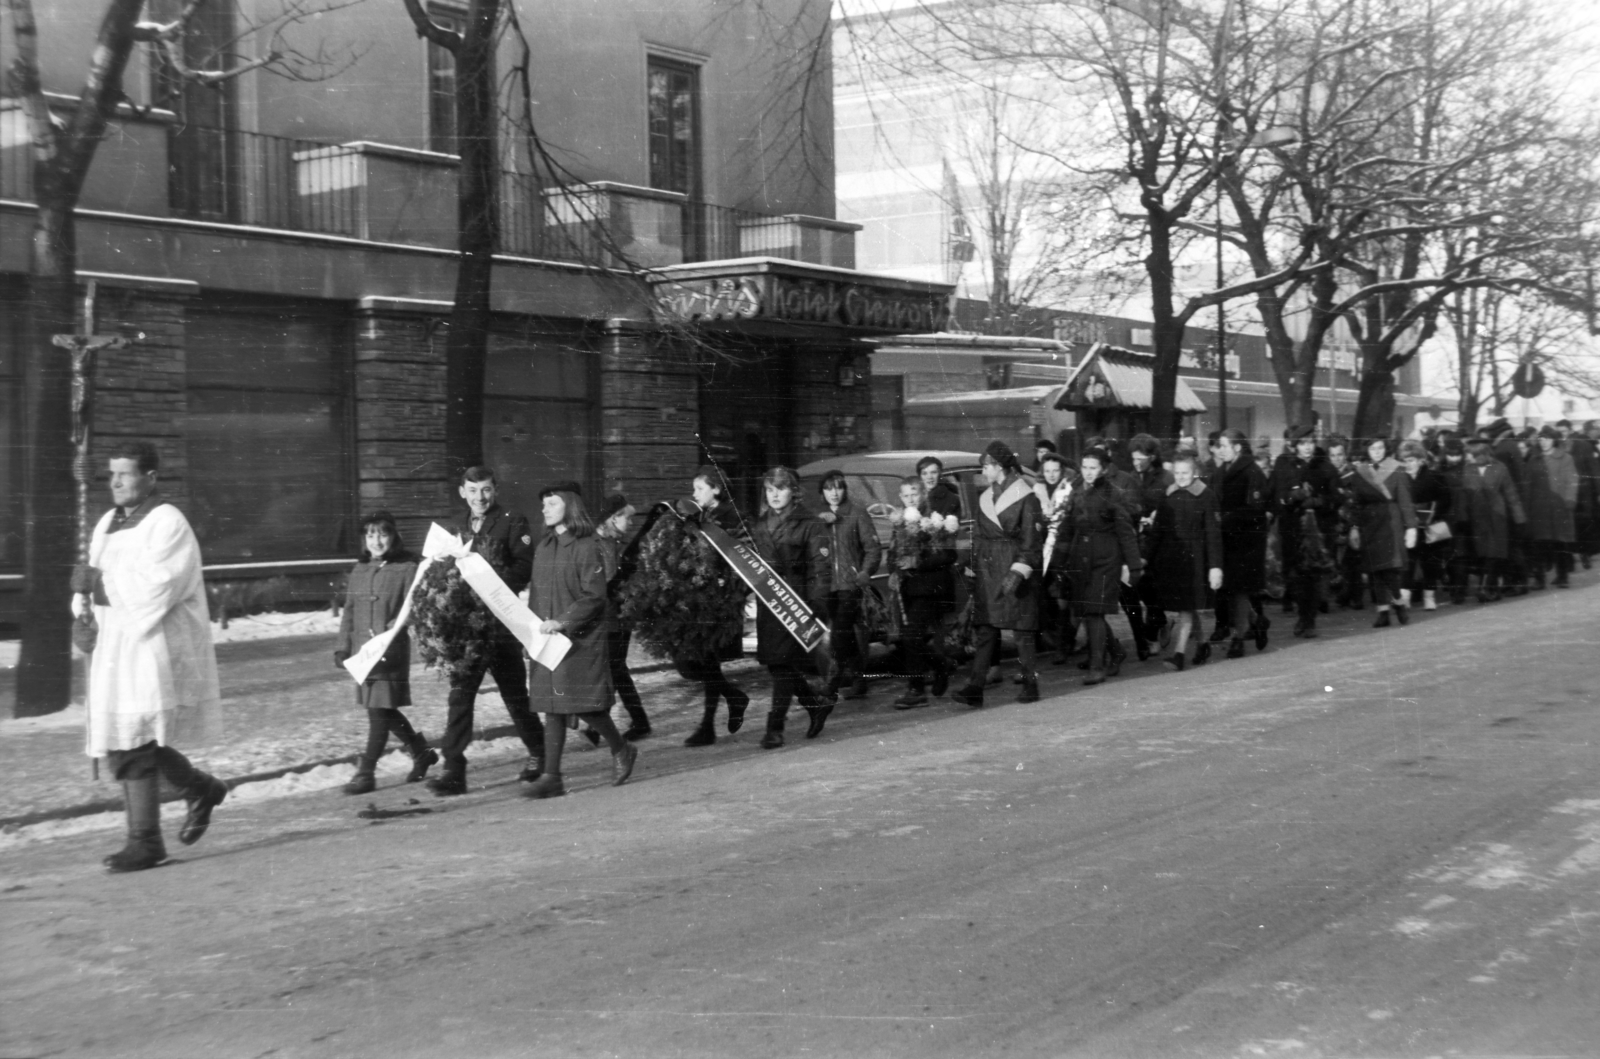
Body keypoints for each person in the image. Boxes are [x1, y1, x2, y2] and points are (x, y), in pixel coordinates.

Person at [74, 441, 226, 873]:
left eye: (125, 473)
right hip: (113, 644)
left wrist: (98, 585)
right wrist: (81, 609)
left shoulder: (168, 522)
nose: (116, 481)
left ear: (150, 478)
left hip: (151, 641)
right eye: (111, 474)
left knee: (134, 739)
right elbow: (90, 583)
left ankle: (145, 841)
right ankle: (199, 789)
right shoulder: (106, 523)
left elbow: (160, 585)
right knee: (124, 738)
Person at [427, 466, 546, 796]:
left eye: (486, 490)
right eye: (473, 490)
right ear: (462, 492)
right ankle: (454, 769)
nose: (480, 497)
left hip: (500, 624)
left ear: (495, 490)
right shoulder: (454, 525)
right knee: (460, 696)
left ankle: (539, 753)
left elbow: (524, 565)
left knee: (515, 697)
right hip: (466, 630)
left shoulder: (512, 520)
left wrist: (487, 583)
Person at [522, 489, 637, 798]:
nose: (544, 508)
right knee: (553, 706)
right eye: (543, 502)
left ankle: (621, 748)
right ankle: (552, 776)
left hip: (579, 638)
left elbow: (594, 596)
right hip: (548, 637)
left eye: (552, 502)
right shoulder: (544, 546)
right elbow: (535, 596)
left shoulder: (587, 547)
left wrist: (564, 622)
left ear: (570, 506)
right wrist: (529, 634)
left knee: (582, 705)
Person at [333, 512, 437, 795]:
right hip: (361, 653)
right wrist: (343, 647)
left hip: (389, 650)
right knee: (380, 709)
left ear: (393, 536)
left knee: (379, 711)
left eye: (382, 534)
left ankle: (366, 773)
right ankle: (421, 751)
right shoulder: (360, 569)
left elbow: (415, 607)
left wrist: (394, 628)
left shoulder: (407, 568)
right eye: (370, 534)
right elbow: (349, 613)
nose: (376, 541)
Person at [952, 441, 1045, 706]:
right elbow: (978, 537)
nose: (983, 470)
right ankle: (975, 686)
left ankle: (1030, 683)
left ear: (999, 467)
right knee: (986, 629)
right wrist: (971, 566)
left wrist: (1019, 572)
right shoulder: (985, 497)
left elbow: (1031, 542)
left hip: (1014, 569)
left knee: (1022, 630)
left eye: (986, 465)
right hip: (988, 569)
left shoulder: (1026, 497)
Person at [751, 466, 837, 748]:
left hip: (797, 602)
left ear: (794, 492)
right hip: (769, 603)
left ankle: (775, 727)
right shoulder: (761, 523)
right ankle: (814, 704)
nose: (775, 495)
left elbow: (820, 568)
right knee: (777, 664)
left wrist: (818, 602)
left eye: (781, 488)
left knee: (782, 662)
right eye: (770, 489)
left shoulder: (811, 524)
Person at [678, 467, 752, 746]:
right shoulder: (697, 519)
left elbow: (746, 559)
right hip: (698, 600)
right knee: (690, 663)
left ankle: (708, 726)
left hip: (720, 602)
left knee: (706, 659)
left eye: (699, 489)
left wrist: (730, 588)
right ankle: (734, 696)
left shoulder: (733, 518)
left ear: (717, 490)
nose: (694, 494)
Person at [1062, 447, 1144, 685]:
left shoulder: (1112, 493)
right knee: (1089, 611)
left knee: (1095, 611)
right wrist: (1060, 561)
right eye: (1084, 467)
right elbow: (1068, 527)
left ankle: (1097, 667)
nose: (1088, 472)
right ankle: (1115, 651)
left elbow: (1125, 531)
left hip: (1107, 558)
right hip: (1082, 557)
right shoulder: (1075, 490)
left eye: (1093, 468)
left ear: (1103, 469)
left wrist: (1134, 565)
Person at [1144, 450, 1223, 669]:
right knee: (1186, 606)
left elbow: (1213, 534)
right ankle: (1203, 644)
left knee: (1187, 608)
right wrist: (1144, 557)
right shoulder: (1169, 494)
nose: (1180, 477)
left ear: (1195, 472)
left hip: (1196, 560)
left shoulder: (1207, 496)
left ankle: (1178, 654)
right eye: (1177, 473)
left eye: (1185, 472)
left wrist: (1215, 567)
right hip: (1173, 560)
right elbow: (1158, 530)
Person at [889, 476, 957, 709]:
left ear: (923, 494)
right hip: (907, 588)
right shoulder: (899, 521)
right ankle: (941, 665)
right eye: (906, 495)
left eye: (914, 494)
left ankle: (917, 690)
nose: (910, 499)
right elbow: (893, 551)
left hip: (929, 587)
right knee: (908, 639)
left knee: (911, 636)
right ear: (900, 497)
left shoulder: (935, 520)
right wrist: (893, 569)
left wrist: (917, 562)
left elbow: (949, 554)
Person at [816, 471, 882, 699]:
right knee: (848, 635)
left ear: (844, 489)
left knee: (839, 633)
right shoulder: (818, 518)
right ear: (822, 492)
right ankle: (859, 680)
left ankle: (831, 684)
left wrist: (865, 572)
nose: (834, 493)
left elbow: (873, 548)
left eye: (838, 487)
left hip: (851, 584)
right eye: (828, 488)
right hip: (828, 586)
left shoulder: (856, 513)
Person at [1270, 425, 1338, 636]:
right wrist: (1292, 497)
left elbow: (1337, 498)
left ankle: (1309, 620)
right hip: (1292, 526)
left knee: (1313, 574)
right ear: (1294, 445)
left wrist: (1318, 501)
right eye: (1302, 444)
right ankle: (1302, 615)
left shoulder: (1325, 465)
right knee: (1295, 575)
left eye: (1310, 443)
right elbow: (1274, 494)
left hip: (1317, 528)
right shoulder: (1284, 463)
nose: (1307, 448)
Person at [595, 494, 650, 740]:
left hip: (616, 618)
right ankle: (634, 721)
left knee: (613, 669)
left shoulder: (612, 543)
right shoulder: (601, 545)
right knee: (614, 669)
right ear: (613, 518)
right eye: (626, 518)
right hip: (608, 616)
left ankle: (635, 721)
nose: (629, 524)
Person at [1349, 437, 1419, 626]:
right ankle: (1383, 612)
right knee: (1375, 570)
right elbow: (1356, 503)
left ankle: (1398, 604)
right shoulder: (1360, 472)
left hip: (1390, 521)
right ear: (1367, 450)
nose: (1377, 451)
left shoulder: (1396, 469)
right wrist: (1354, 527)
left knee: (1389, 569)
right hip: (1369, 523)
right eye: (1373, 448)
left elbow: (1405, 501)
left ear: (1385, 449)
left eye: (1380, 447)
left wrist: (1411, 526)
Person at [1214, 430, 1271, 659]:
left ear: (1237, 447)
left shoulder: (1252, 471)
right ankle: (1257, 621)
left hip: (1247, 542)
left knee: (1237, 590)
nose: (1220, 449)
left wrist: (1225, 519)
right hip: (1226, 539)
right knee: (1229, 590)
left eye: (1224, 445)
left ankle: (1238, 639)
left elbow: (1256, 508)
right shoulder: (1220, 471)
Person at [1458, 437, 1528, 601]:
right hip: (1477, 518)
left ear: (1480, 454)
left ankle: (1484, 588)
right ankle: (1493, 589)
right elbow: (1464, 495)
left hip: (1497, 516)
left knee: (1494, 552)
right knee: (1484, 554)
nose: (1467, 457)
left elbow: (1511, 494)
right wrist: (1463, 516)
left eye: (1470, 454)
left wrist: (1519, 517)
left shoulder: (1499, 467)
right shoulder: (1468, 468)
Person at [1033, 452, 1080, 662]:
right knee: (1045, 597)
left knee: (1064, 600)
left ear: (1062, 472)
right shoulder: (1037, 490)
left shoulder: (1069, 489)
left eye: (1055, 471)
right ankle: (1055, 640)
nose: (1052, 475)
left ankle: (1064, 644)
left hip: (1064, 549)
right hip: (1043, 550)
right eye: (1048, 471)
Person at [1398, 441, 1452, 611]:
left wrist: (1433, 514)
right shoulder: (1400, 477)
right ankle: (1405, 597)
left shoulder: (1435, 476)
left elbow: (1446, 499)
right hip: (1408, 526)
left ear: (1421, 460)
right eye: (1405, 460)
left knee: (1431, 562)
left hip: (1430, 525)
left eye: (1412, 459)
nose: (1409, 464)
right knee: (1408, 562)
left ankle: (1429, 597)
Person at [1523, 426, 1579, 589]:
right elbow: (1527, 485)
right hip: (1538, 508)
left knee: (1560, 542)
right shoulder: (1534, 459)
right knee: (1539, 543)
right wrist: (1526, 506)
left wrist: (1570, 499)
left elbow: (1572, 480)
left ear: (1554, 440)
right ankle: (1539, 579)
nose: (1543, 443)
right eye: (1540, 440)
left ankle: (1562, 576)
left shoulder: (1565, 458)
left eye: (1546, 439)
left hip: (1559, 507)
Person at [1326, 437, 1365, 610]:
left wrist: (1355, 525)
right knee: (1338, 561)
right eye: (1333, 455)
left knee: (1353, 562)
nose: (1337, 459)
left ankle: (1356, 597)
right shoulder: (1327, 473)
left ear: (1345, 455)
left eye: (1340, 454)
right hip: (1333, 524)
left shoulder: (1353, 474)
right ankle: (1344, 594)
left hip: (1350, 523)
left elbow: (1357, 502)